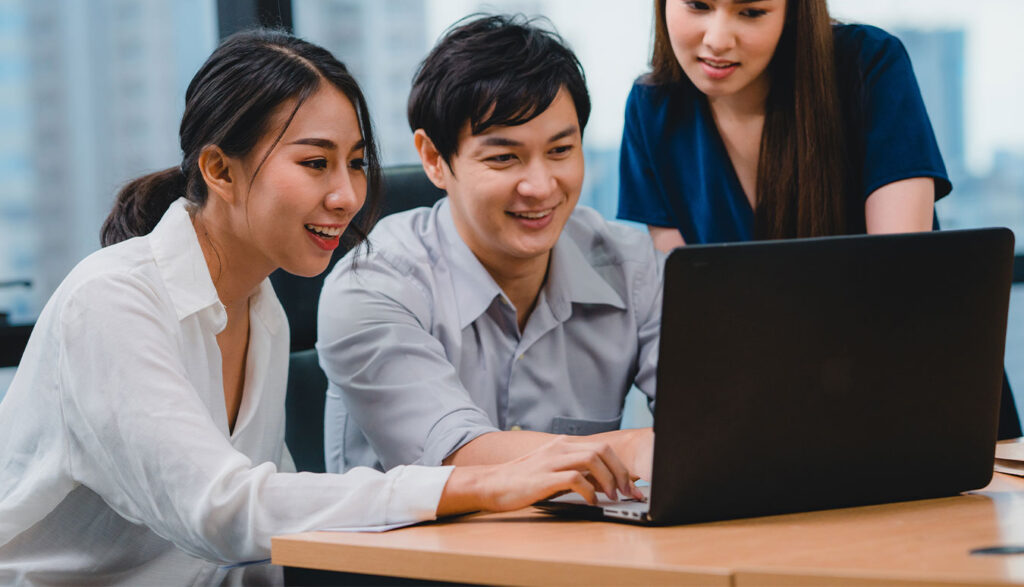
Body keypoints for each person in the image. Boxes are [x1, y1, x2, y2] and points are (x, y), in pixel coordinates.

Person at [0, 29, 635, 586]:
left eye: (356, 164)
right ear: (219, 170)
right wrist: (484, 484)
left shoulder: (260, 306)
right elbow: (221, 512)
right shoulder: (111, 300)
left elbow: (267, 529)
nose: (347, 195)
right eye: (315, 163)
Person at [317, 15, 660, 485]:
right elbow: (453, 453)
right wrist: (635, 447)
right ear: (435, 159)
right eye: (504, 158)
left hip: (584, 553)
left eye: (561, 151)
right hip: (413, 556)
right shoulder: (374, 285)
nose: (541, 187)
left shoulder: (632, 266)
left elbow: (708, 420)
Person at [618, 0, 950, 249]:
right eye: (696, 4)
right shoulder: (652, 109)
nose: (718, 40)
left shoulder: (868, 67)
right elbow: (688, 293)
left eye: (751, 12)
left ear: (793, 8)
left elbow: (901, 268)